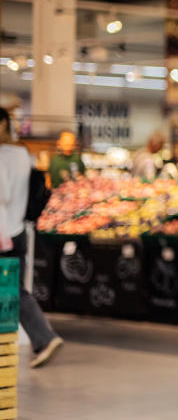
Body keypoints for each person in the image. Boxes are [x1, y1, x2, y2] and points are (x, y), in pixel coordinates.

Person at [0, 108, 64, 368]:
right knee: (10, 291)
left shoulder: (3, 156)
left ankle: (44, 337)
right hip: (19, 231)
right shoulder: (23, 154)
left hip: (3, 232)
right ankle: (23, 343)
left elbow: (2, 195)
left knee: (12, 290)